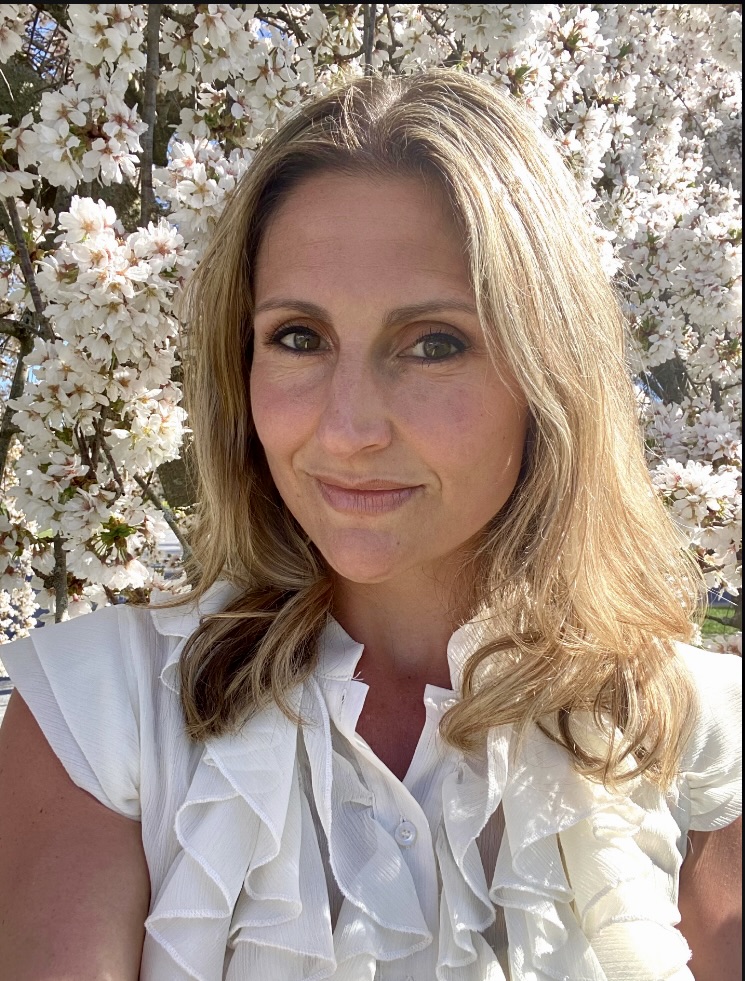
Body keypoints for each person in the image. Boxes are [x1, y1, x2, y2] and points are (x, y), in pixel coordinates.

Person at [0, 69, 740, 981]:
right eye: (298, 338)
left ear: (549, 374)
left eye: (433, 342)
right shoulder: (95, 713)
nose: (349, 429)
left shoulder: (701, 738)